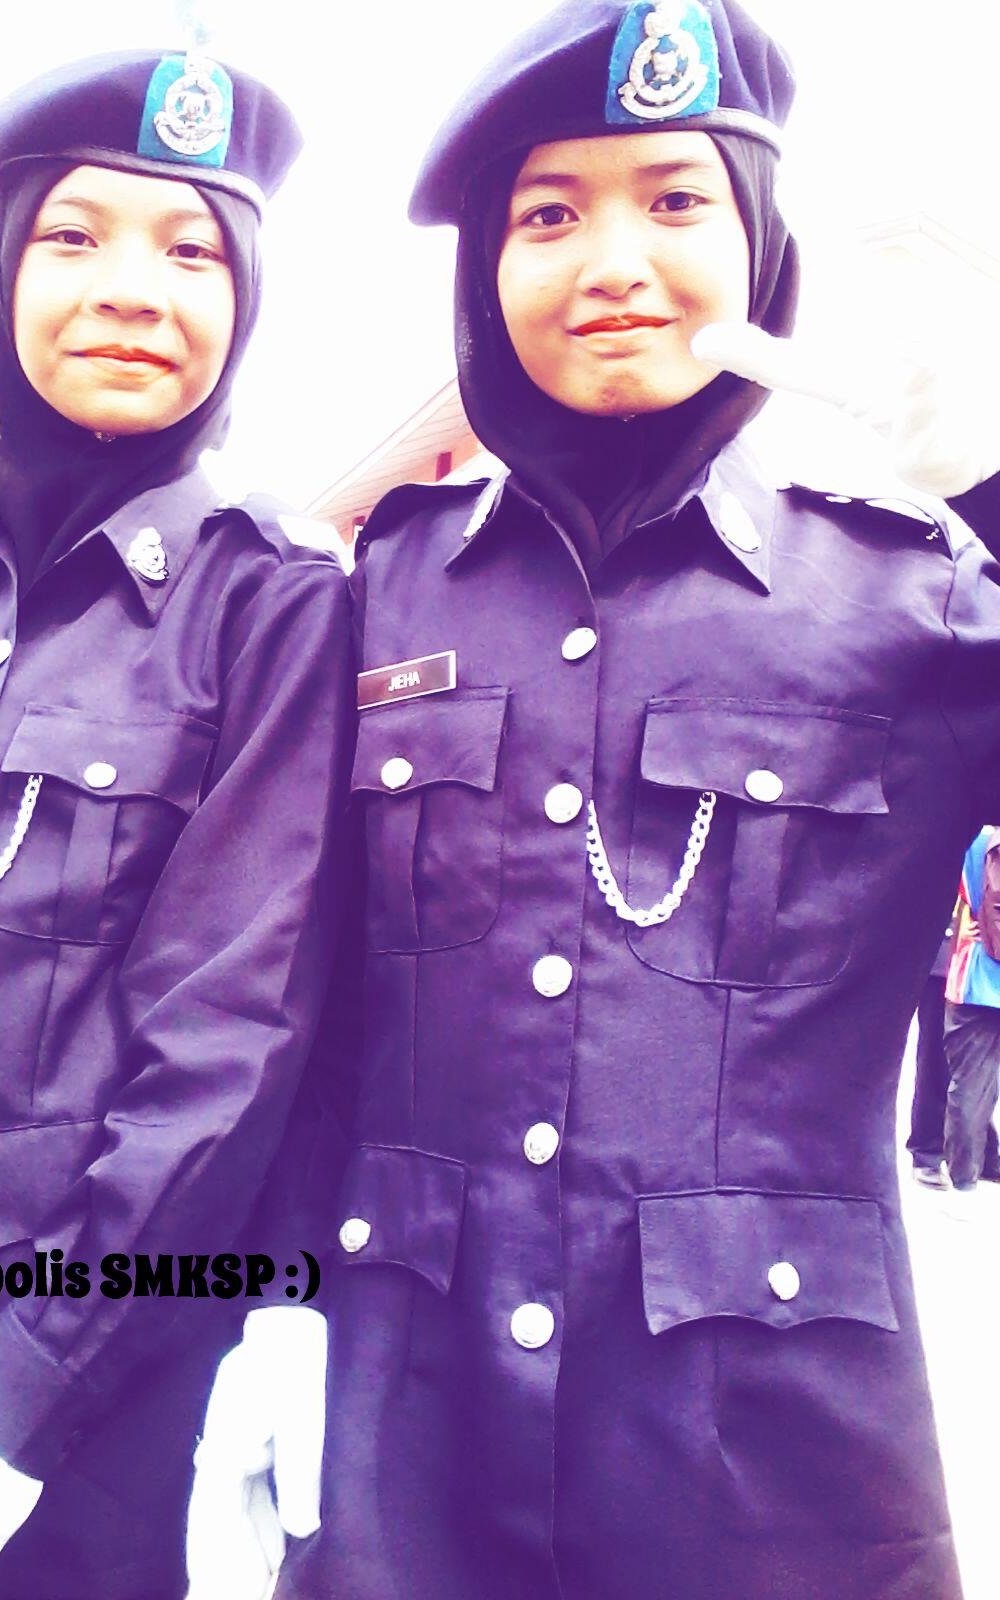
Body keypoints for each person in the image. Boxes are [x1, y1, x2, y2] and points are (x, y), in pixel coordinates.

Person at [199, 3, 1000, 1599]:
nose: (611, 262)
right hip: (400, 1439)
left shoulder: (913, 591)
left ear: (760, 240)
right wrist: (273, 1302)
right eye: (549, 214)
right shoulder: (383, 589)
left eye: (675, 199)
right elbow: (306, 1004)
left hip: (769, 1467)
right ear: (484, 273)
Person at [0, 39, 353, 1599]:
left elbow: (228, 1048)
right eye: (73, 236)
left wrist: (16, 1390)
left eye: (191, 252)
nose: (131, 291)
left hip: (89, 1415)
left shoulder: (272, 601)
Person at [943, 828, 1000, 1199]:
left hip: (976, 980)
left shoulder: (974, 838)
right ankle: (987, 1163)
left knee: (969, 1084)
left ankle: (964, 1177)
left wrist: (962, 915)